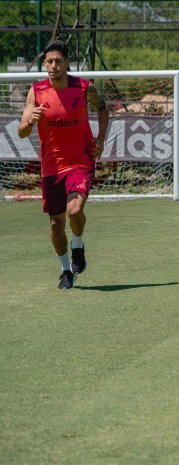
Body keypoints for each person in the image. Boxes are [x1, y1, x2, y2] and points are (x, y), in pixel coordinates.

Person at [17, 41, 109, 289]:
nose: (54, 66)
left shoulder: (83, 87)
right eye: (49, 61)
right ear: (44, 64)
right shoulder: (36, 92)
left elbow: (103, 108)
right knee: (56, 224)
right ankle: (66, 270)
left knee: (75, 211)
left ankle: (78, 243)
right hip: (51, 167)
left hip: (80, 160)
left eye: (58, 61)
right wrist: (30, 121)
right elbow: (22, 132)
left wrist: (100, 138)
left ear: (67, 63)